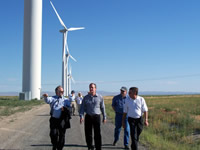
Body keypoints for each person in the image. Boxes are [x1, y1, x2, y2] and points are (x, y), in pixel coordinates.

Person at [43, 85, 71, 150]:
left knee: (62, 135)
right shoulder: (53, 98)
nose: (62, 92)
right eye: (60, 91)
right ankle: (54, 145)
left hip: (62, 120)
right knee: (53, 134)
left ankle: (60, 147)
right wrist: (46, 97)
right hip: (54, 119)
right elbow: (48, 100)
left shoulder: (66, 100)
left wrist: (65, 109)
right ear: (56, 92)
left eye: (63, 91)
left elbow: (70, 108)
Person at [80, 83, 106, 150]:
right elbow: (82, 108)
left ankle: (98, 147)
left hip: (96, 117)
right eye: (90, 87)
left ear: (95, 88)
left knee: (97, 134)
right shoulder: (86, 98)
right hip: (88, 116)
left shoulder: (100, 97)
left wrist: (104, 117)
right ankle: (90, 146)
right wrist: (81, 116)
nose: (91, 89)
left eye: (92, 87)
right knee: (88, 133)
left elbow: (103, 107)